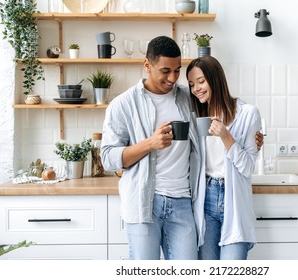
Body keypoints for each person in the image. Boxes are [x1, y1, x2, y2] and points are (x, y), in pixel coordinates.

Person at [101, 36, 200, 260]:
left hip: (183, 201)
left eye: (177, 70)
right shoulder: (123, 104)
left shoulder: (187, 97)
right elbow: (108, 158)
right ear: (147, 65)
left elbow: (222, 103)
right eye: (165, 70)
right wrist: (150, 143)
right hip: (144, 202)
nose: (173, 78)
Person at [186, 55, 261, 260]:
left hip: (234, 200)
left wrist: (226, 136)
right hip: (206, 200)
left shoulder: (248, 114)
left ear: (216, 79)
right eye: (192, 84)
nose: (196, 89)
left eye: (201, 81)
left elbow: (247, 167)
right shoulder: (197, 118)